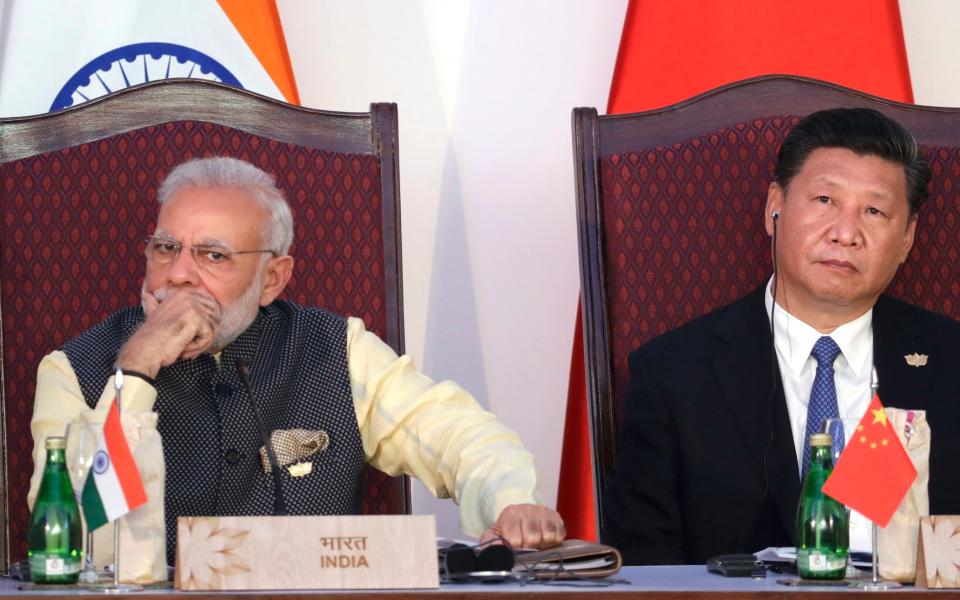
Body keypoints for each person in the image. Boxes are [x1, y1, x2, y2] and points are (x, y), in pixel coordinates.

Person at [29, 156, 565, 565]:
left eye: (213, 255)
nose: (178, 275)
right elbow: (77, 541)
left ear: (273, 278)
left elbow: (458, 435)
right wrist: (139, 365)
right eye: (167, 248)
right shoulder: (72, 371)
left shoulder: (337, 349)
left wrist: (512, 503)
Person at [602, 108, 960, 565]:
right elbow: (644, 566)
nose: (846, 233)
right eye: (825, 201)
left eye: (874, 210)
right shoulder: (673, 373)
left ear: (908, 237)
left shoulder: (951, 363)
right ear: (776, 204)